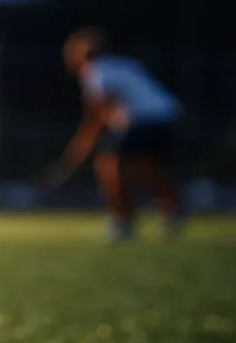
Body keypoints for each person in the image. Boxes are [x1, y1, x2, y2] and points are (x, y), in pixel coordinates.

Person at [43, 28, 185, 241]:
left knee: (107, 166)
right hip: (167, 116)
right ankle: (172, 213)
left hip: (142, 121)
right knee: (148, 168)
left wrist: (77, 152)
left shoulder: (95, 72)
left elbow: (98, 119)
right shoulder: (122, 64)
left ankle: (123, 220)